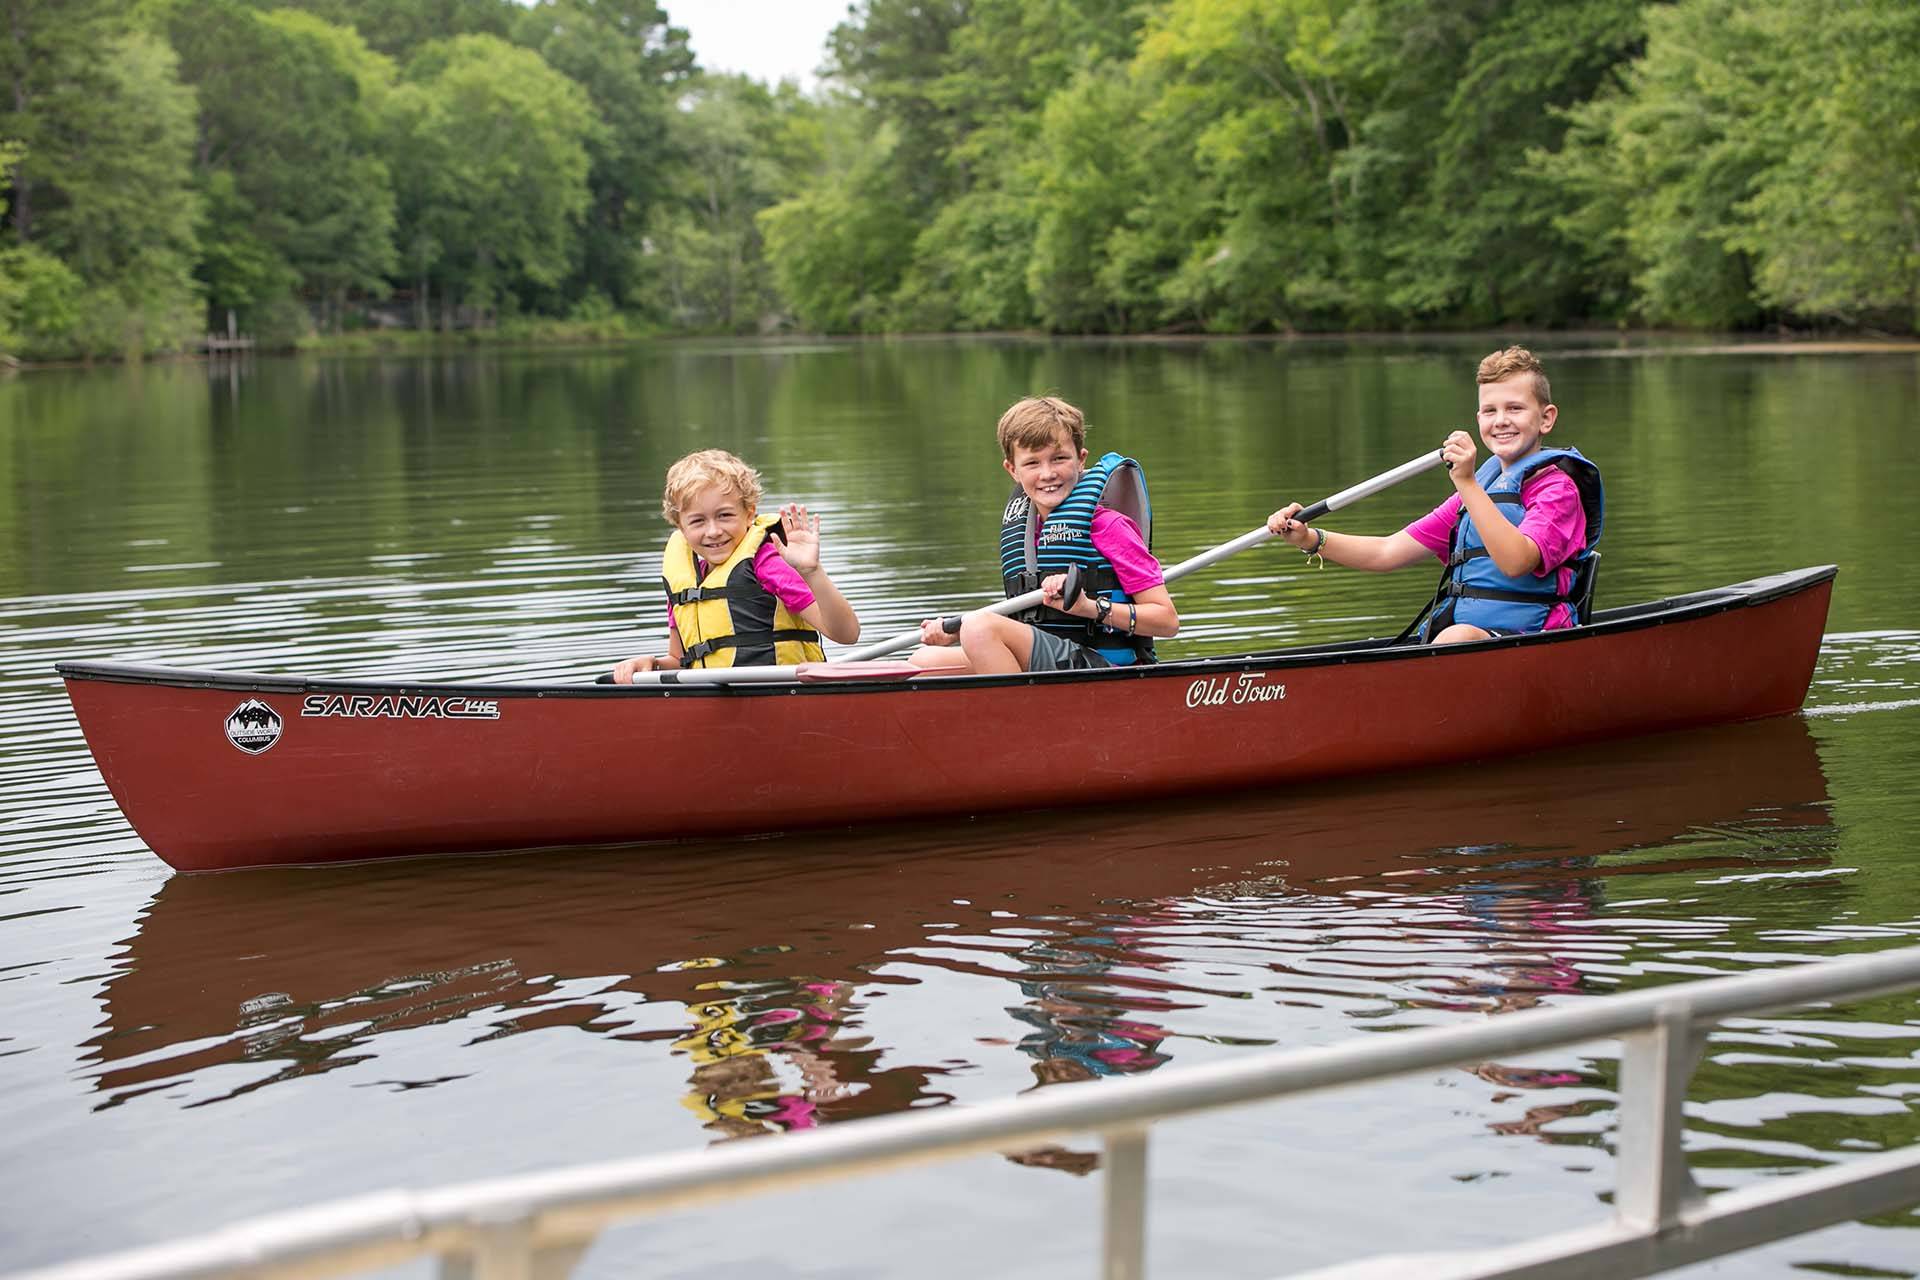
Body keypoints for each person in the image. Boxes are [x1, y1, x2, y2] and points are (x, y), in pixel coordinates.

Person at [1267, 346, 1604, 644]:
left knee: (1455, 637)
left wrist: (1467, 484)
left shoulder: (1557, 490)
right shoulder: (1479, 491)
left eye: (1515, 408)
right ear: (1478, 418)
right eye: (1490, 411)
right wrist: (1310, 538)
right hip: (1471, 645)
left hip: (1531, 641)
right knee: (1445, 636)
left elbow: (1517, 563)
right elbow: (1387, 552)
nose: (1501, 421)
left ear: (1546, 419)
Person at [913, 396, 1178, 675]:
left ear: (1080, 460)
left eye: (1059, 458)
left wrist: (1089, 607)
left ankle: (1027, 716)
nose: (1048, 473)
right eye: (1032, 463)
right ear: (1012, 469)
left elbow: (1167, 620)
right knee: (924, 662)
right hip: (1054, 659)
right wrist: (956, 631)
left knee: (979, 628)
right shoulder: (1027, 534)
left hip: (1104, 667)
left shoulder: (1111, 527)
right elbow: (1028, 618)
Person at [611, 449, 860, 680]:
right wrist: (651, 663)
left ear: (749, 513)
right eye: (698, 521)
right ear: (681, 527)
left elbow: (846, 634)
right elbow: (679, 660)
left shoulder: (767, 564)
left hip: (781, 696)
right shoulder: (685, 583)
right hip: (720, 706)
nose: (713, 531)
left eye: (725, 515)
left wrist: (811, 572)